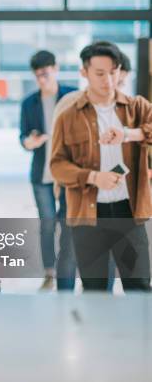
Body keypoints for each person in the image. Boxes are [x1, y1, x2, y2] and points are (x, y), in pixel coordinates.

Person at [51, 41, 152, 292]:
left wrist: (130, 134)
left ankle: (139, 333)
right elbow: (57, 165)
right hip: (87, 215)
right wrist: (93, 177)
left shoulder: (136, 107)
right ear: (84, 73)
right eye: (100, 73)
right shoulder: (69, 115)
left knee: (138, 285)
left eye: (113, 71)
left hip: (128, 214)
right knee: (95, 290)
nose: (108, 79)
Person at [19, 50, 78, 290]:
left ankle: (67, 271)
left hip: (68, 171)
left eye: (45, 73)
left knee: (67, 223)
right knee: (46, 223)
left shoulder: (72, 97)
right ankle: (49, 271)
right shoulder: (29, 102)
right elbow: (23, 137)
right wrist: (29, 142)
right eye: (37, 75)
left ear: (55, 68)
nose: (41, 79)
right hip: (41, 173)